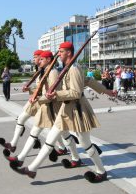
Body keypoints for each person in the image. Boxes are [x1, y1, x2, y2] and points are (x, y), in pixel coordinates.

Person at [11, 42, 116, 183]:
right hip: (66, 109)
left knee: (86, 144)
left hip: (78, 109)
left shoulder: (74, 68)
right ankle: (32, 169)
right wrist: (106, 91)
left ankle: (101, 171)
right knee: (50, 139)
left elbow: (76, 92)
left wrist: (56, 95)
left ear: (69, 53)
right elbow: (88, 80)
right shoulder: (67, 68)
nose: (58, 54)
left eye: (61, 51)